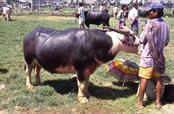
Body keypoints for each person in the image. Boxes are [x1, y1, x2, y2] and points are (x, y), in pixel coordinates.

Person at [137, 2, 170, 109]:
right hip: (159, 59)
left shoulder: (150, 24)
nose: (148, 12)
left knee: (144, 79)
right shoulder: (166, 25)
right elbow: (166, 42)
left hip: (147, 58)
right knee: (158, 79)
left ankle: (140, 103)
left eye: (150, 11)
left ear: (155, 12)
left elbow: (142, 39)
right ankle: (158, 102)